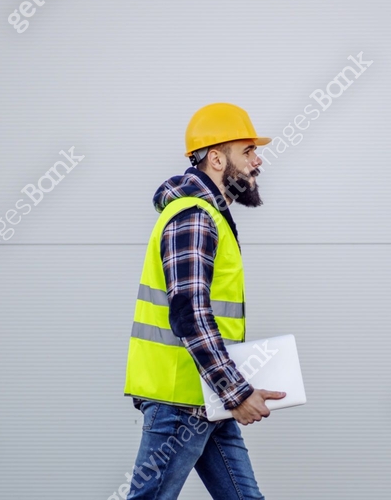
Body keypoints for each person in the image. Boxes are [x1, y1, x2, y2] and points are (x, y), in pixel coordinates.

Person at [122, 102, 286, 500]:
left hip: (206, 394)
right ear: (216, 157)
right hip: (183, 400)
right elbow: (190, 315)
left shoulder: (207, 214)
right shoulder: (194, 216)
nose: (257, 160)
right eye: (247, 151)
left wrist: (230, 392)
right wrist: (238, 393)